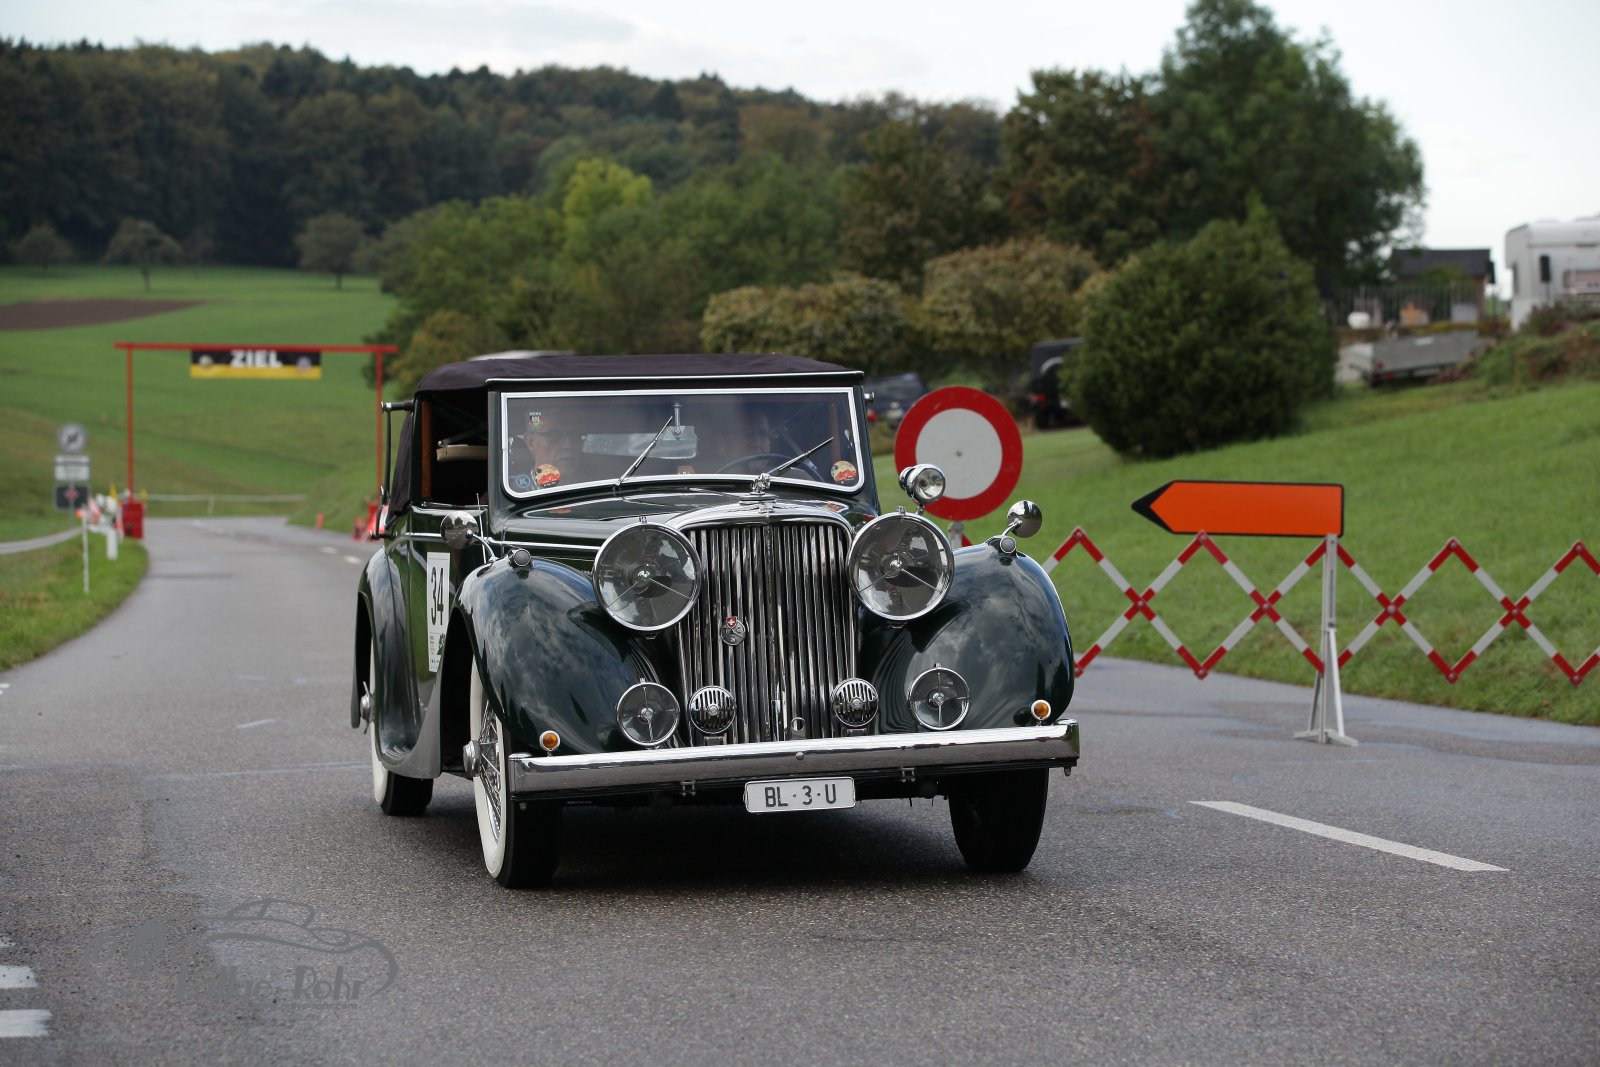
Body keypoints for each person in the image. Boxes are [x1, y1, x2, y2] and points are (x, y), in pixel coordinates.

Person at [518, 407, 588, 489]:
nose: (568, 445)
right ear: (531, 442)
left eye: (575, 435)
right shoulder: (513, 492)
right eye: (554, 435)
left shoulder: (595, 486)